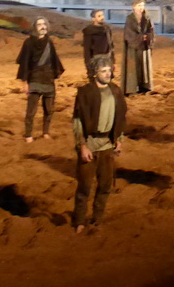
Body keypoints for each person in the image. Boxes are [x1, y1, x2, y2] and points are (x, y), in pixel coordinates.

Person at [72, 55, 126, 233]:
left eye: (109, 70)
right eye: (103, 71)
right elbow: (78, 121)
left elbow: (120, 118)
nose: (108, 73)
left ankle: (97, 218)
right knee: (84, 187)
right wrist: (82, 145)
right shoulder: (85, 92)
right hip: (90, 143)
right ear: (95, 73)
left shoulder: (116, 91)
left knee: (105, 186)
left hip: (107, 146)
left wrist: (119, 139)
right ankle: (79, 221)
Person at [16, 16, 65, 142]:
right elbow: (25, 63)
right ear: (35, 27)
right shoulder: (29, 42)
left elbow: (54, 60)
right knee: (31, 110)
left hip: (48, 79)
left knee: (49, 109)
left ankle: (45, 132)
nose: (42, 27)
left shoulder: (49, 42)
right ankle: (28, 135)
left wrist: (56, 75)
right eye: (39, 24)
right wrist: (25, 82)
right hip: (34, 78)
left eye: (44, 24)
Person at [122, 0, 154, 95]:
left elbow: (151, 30)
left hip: (144, 46)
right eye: (139, 5)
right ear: (134, 7)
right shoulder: (130, 18)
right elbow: (129, 33)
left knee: (144, 66)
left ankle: (145, 86)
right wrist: (140, 37)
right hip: (133, 47)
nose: (141, 8)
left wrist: (147, 37)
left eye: (142, 5)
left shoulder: (147, 17)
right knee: (133, 67)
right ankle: (132, 88)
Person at [81, 9, 114, 74]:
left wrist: (113, 61)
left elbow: (111, 46)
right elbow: (87, 50)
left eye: (102, 15)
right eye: (99, 16)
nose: (102, 17)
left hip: (107, 59)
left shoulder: (107, 29)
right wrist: (88, 66)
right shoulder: (89, 31)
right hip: (96, 60)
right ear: (93, 19)